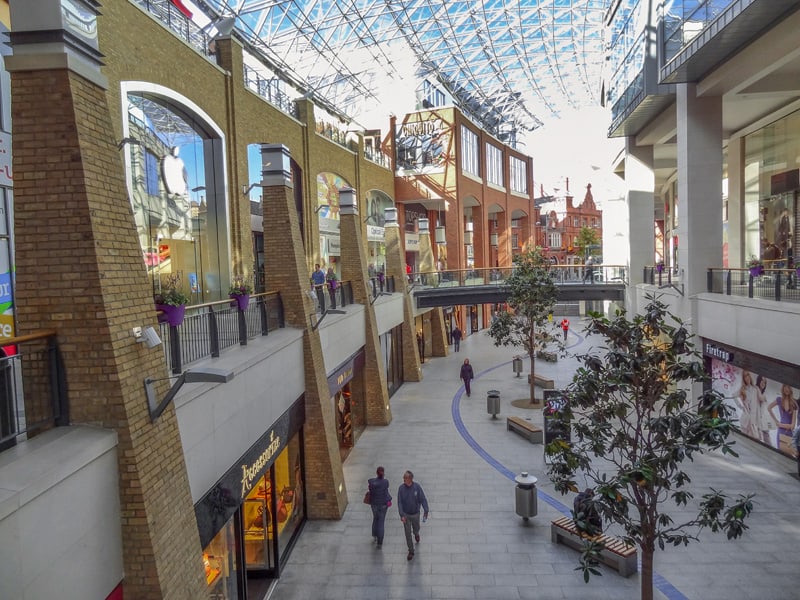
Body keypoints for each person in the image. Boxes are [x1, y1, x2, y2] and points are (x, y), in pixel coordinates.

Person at [397, 470, 429, 561]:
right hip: (406, 515)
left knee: (416, 528)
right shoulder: (401, 489)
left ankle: (416, 533)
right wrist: (401, 514)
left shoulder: (417, 487)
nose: (403, 479)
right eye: (403, 477)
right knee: (407, 533)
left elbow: (423, 499)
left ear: (410, 479)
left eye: (405, 478)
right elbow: (399, 502)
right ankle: (411, 551)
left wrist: (426, 510)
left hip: (415, 514)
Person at [768, 384, 799, 455]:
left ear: (790, 389)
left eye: (788, 387)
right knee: (780, 453)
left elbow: (792, 426)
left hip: (789, 433)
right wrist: (775, 420)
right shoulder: (779, 400)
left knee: (788, 454)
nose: (787, 389)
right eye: (785, 387)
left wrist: (780, 424)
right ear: (783, 388)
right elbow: (769, 408)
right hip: (780, 432)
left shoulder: (794, 403)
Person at [368, 466, 392, 548]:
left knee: (375, 518)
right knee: (381, 522)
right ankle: (380, 543)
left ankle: (374, 535)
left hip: (374, 504)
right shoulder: (385, 482)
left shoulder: (372, 482)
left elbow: (370, 481)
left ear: (376, 473)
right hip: (383, 505)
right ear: (383, 473)